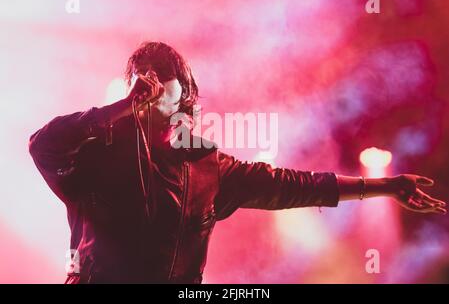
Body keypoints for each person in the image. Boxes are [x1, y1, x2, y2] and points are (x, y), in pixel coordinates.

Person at [29, 41, 446, 284]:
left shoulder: (208, 168)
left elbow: (295, 185)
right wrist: (122, 107)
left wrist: (386, 187)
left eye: (160, 76)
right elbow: (42, 144)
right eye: (140, 77)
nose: (149, 84)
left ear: (184, 96)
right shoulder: (94, 153)